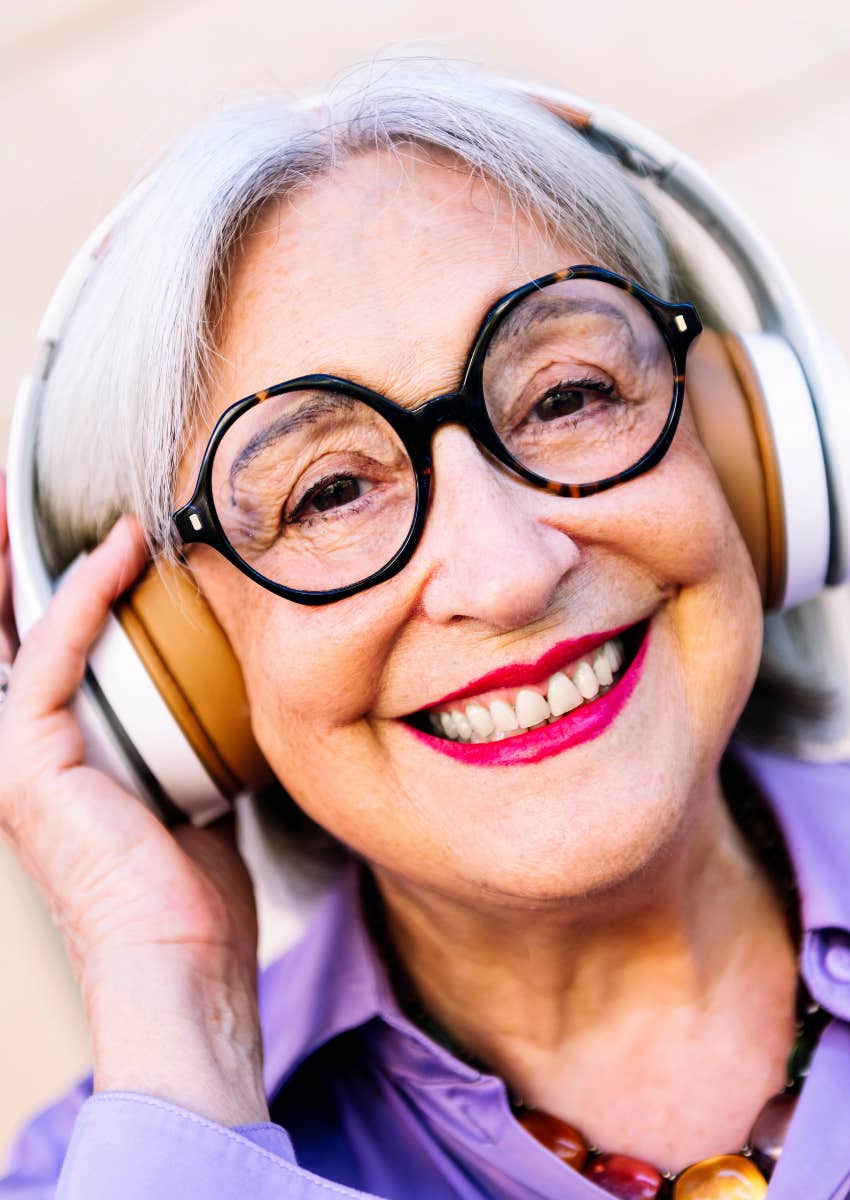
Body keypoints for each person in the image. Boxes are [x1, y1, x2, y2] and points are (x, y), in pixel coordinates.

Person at [1, 58, 849, 1200]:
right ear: (179, 669)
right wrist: (186, 1027)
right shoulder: (100, 1171)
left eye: (566, 397)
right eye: (329, 493)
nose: (505, 574)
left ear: (747, 453)